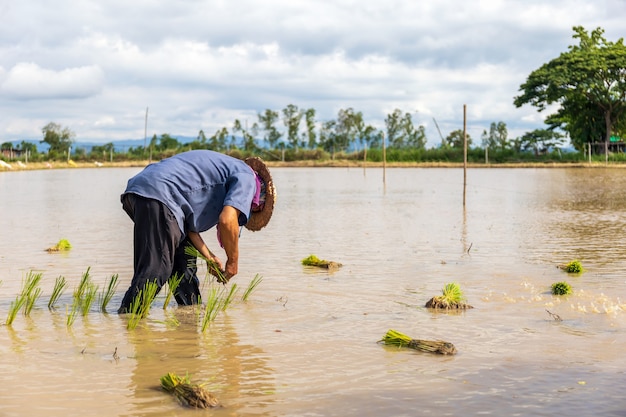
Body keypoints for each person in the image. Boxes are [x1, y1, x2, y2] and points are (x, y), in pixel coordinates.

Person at [117, 150, 276, 313]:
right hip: (161, 194)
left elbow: (186, 227)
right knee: (157, 269)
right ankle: (128, 318)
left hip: (146, 192)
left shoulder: (229, 170)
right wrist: (232, 262)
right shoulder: (248, 178)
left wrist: (209, 257)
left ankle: (190, 320)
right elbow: (227, 220)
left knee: (184, 269)